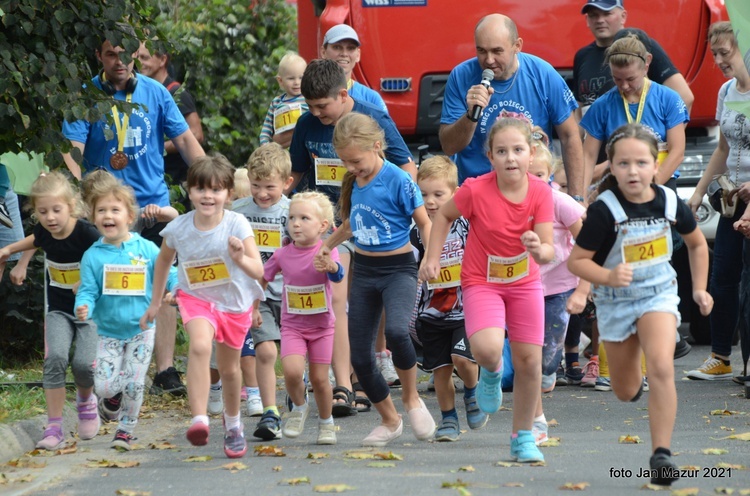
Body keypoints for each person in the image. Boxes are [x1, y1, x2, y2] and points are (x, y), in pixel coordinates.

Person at [568, 123, 712, 486]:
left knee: (662, 365)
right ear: (611, 168)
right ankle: (630, 386)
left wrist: (699, 290)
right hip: (615, 302)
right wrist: (607, 278)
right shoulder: (604, 211)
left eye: (642, 163)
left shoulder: (669, 201)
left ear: (655, 163)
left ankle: (661, 454)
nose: (633, 171)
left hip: (658, 294)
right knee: (625, 389)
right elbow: (577, 262)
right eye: (624, 164)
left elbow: (697, 244)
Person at [63, 36, 205, 398]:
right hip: (107, 210)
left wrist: (211, 184)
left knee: (164, 279)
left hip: (152, 206)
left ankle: (166, 369)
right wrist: (76, 199)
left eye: (127, 55)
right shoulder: (85, 96)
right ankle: (109, 364)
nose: (120, 62)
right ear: (98, 55)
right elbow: (73, 152)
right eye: (110, 54)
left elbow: (187, 142)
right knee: (108, 283)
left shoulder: (157, 92)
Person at [420, 116, 554, 463]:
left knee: (529, 362)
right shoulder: (476, 189)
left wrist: (538, 248)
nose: (511, 158)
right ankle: (491, 373)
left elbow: (549, 248)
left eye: (518, 150)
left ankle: (523, 436)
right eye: (502, 151)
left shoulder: (541, 192)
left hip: (524, 283)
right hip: (483, 282)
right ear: (490, 156)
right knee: (488, 350)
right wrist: (432, 257)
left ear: (531, 153)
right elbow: (444, 216)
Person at [288, 58, 416, 412]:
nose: (315, 113)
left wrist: (404, 209)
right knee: (339, 299)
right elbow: (296, 173)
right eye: (309, 106)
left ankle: (366, 373)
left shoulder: (371, 115)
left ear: (343, 95)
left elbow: (405, 165)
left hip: (375, 222)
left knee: (368, 303)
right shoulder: (306, 125)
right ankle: (344, 384)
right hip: (329, 224)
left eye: (322, 105)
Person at [318, 112, 435, 447]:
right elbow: (351, 224)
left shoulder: (398, 180)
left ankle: (412, 399)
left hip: (399, 270)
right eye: (345, 162)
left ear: (377, 146)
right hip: (365, 274)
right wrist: (327, 246)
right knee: (360, 356)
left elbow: (425, 223)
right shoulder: (354, 183)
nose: (352, 168)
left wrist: (430, 257)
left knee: (398, 331)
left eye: (356, 160)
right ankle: (390, 419)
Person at [141, 155, 265, 459]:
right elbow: (163, 262)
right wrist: (156, 302)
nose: (207, 196)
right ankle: (199, 419)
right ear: (189, 191)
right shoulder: (179, 228)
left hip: (233, 302)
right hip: (196, 298)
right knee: (198, 346)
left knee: (229, 369)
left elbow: (259, 270)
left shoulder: (237, 223)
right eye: (200, 189)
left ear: (228, 194)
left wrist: (239, 258)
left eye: (215, 190)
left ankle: (233, 424)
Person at [74, 171, 176, 450]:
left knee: (135, 382)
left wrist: (175, 288)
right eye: (102, 210)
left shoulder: (146, 249)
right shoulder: (92, 255)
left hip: (142, 329)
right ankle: (112, 398)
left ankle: (125, 429)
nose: (108, 215)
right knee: (105, 387)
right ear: (93, 217)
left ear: (130, 216)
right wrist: (83, 305)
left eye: (115, 210)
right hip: (107, 332)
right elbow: (87, 290)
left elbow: (169, 270)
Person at [0, 172, 101, 450]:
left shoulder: (86, 233)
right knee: (54, 358)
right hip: (58, 310)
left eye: (57, 210)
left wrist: (87, 279)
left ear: (71, 207)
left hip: (88, 311)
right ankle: (54, 426)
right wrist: (12, 254)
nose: (51, 217)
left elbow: (109, 254)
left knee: (83, 365)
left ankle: (85, 400)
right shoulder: (46, 230)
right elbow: (35, 240)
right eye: (42, 211)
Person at [439, 14, 585, 199]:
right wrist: (471, 116)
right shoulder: (461, 76)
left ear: (517, 46)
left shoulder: (543, 74)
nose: (489, 60)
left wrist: (577, 198)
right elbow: (449, 147)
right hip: (478, 194)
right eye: (481, 51)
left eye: (497, 51)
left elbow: (570, 136)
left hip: (532, 195)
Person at [685, 22, 750, 381]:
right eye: (715, 54)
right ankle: (720, 356)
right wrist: (698, 190)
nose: (720, 60)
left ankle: (748, 363)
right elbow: (723, 148)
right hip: (731, 198)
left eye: (726, 52)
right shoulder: (727, 91)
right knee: (723, 276)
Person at [411, 155, 487, 442]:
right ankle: (448, 419)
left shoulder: (466, 226)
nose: (430, 202)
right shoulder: (416, 234)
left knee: (462, 359)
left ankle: (471, 390)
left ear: (455, 194)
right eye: (424, 194)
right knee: (440, 372)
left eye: (438, 194)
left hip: (465, 311)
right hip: (430, 315)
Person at [263, 191, 344, 445]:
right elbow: (262, 278)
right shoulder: (282, 254)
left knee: (320, 380)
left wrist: (331, 267)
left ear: (322, 226)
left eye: (304, 218)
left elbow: (338, 275)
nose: (295, 223)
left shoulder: (326, 250)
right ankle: (299, 407)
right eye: (291, 218)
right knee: (291, 371)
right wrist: (253, 306)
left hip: (321, 327)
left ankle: (326, 423)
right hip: (293, 326)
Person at [526, 131, 588, 444]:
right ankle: (532, 394)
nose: (532, 180)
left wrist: (583, 289)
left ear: (550, 175)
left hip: (559, 285)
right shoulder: (512, 200)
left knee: (549, 352)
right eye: (527, 173)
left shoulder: (559, 202)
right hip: (523, 285)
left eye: (539, 174)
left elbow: (589, 242)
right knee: (526, 348)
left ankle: (549, 371)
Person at [232, 143, 293, 440]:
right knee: (267, 351)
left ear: (286, 182)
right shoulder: (238, 212)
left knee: (293, 360)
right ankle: (271, 412)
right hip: (258, 295)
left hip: (295, 294)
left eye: (269, 186)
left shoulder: (294, 212)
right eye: (255, 185)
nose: (261, 193)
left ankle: (297, 388)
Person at [580, 34, 689, 188]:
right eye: (617, 79)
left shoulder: (668, 98)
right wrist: (581, 197)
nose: (624, 86)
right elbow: (588, 156)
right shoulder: (602, 105)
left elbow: (677, 151)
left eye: (631, 79)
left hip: (661, 182)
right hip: (620, 183)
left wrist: (650, 186)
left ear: (646, 64)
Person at [573, 0, 694, 119]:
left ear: (623, 16)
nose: (600, 20)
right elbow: (578, 111)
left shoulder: (643, 46)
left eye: (607, 13)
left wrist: (669, 135)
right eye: (594, 15)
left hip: (636, 135)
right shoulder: (582, 56)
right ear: (587, 20)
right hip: (593, 135)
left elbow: (685, 97)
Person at [137, 41, 205, 205]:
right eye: (138, 58)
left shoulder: (176, 93)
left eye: (145, 58)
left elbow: (197, 135)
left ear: (162, 61)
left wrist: (157, 146)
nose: (140, 63)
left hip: (175, 179)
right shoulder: (141, 92)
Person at [320, 24, 387, 112]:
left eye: (350, 48)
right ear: (323, 52)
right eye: (337, 47)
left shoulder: (371, 98)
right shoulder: (309, 95)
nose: (344, 53)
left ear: (358, 55)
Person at [259, 52, 309, 149]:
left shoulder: (309, 99)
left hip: (305, 149)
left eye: (301, 78)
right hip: (281, 154)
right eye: (291, 78)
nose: (297, 83)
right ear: (280, 81)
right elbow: (266, 130)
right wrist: (265, 146)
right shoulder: (276, 102)